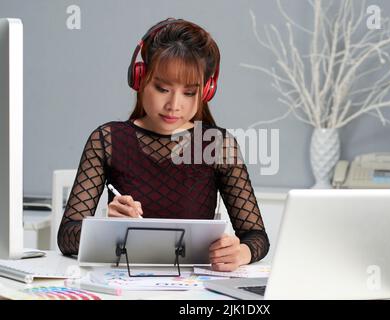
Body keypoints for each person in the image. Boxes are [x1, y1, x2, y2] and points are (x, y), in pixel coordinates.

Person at [57, 18, 270, 271]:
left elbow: (256, 237)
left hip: (194, 290)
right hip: (124, 286)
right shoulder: (107, 140)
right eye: (162, 88)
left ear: (206, 91)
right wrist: (107, 227)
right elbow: (66, 236)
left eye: (189, 93)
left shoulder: (219, 145)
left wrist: (241, 252)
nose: (174, 105)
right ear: (139, 79)